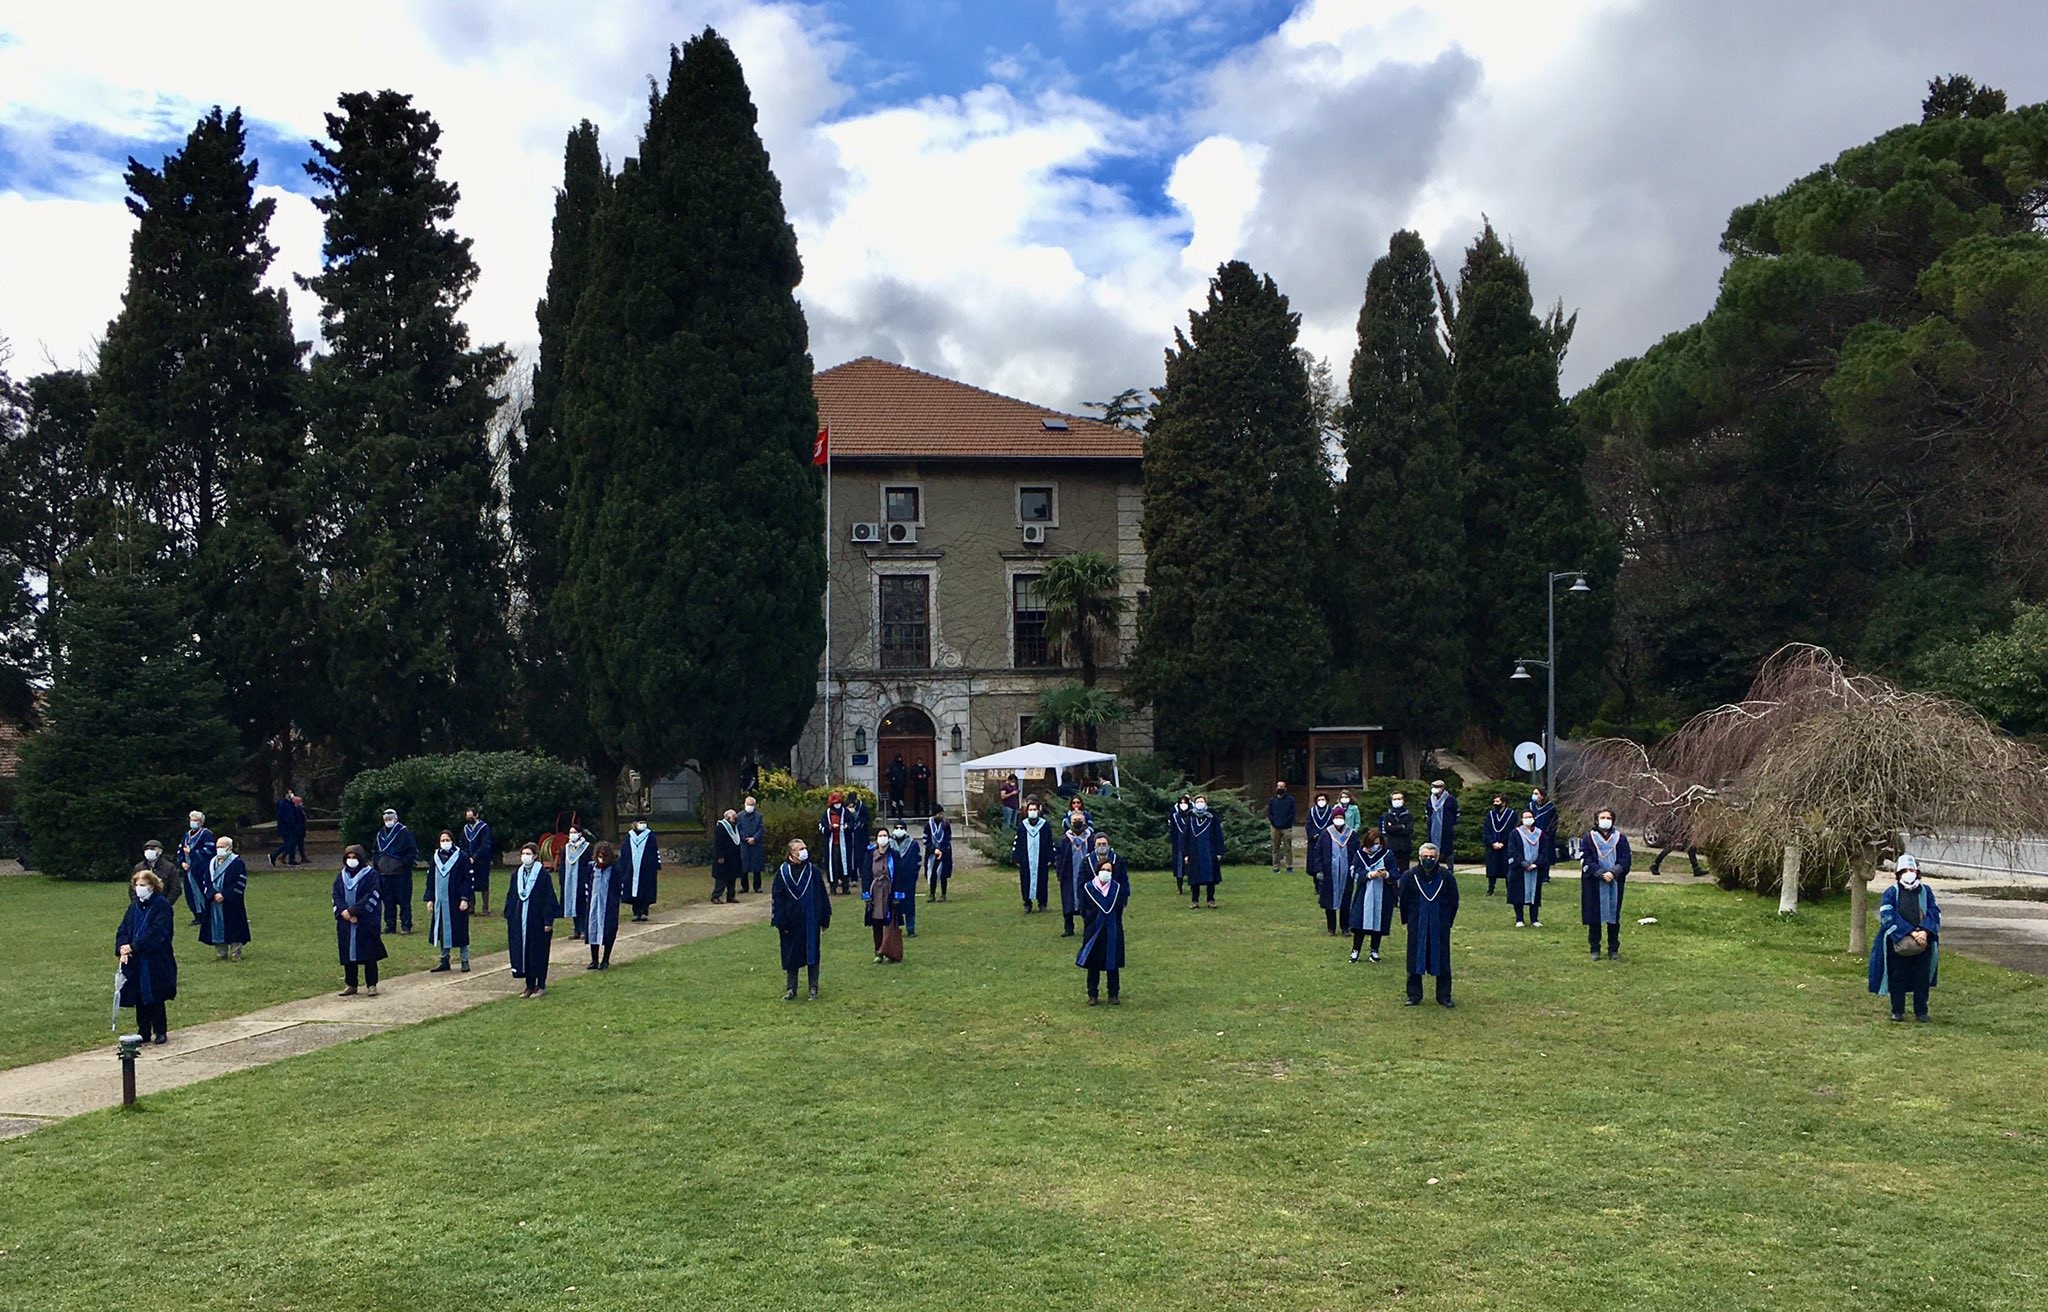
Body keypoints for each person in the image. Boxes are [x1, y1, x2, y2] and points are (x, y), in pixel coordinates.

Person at [1869, 855, 1941, 1022]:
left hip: (1923, 944)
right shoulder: (1891, 892)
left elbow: (1934, 912)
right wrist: (1910, 932)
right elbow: (1887, 916)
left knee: (1922, 978)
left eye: (1912, 870)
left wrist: (1924, 932)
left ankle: (1921, 1012)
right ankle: (1897, 1010)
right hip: (1898, 943)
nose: (1909, 873)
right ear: (1898, 873)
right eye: (1905, 870)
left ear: (1917, 872)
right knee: (1897, 977)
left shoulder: (1926, 891)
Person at [117, 868, 177, 1044]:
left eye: (142, 885)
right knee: (139, 995)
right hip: (136, 960)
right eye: (136, 885)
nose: (138, 888)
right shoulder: (134, 907)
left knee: (155, 994)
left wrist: (134, 946)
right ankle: (143, 1030)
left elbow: (158, 932)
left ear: (152, 886)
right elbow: (124, 929)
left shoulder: (162, 905)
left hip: (155, 958)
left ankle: (160, 1030)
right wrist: (122, 947)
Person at [1400, 843, 1458, 1006]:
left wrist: (1447, 921)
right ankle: (1414, 994)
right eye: (1425, 856)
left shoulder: (1446, 877)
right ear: (1419, 857)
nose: (1428, 859)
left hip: (1440, 923)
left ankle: (1444, 996)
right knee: (1414, 956)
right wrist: (1408, 920)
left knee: (1443, 958)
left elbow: (1454, 901)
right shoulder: (1410, 876)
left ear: (1438, 857)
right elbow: (1403, 900)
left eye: (1432, 857)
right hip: (1417, 922)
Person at [772, 838, 831, 1001]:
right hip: (790, 921)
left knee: (812, 953)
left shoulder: (813, 871)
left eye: (805, 847)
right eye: (800, 849)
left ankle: (813, 987)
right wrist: (779, 920)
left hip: (810, 920)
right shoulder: (783, 873)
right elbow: (777, 897)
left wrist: (825, 917)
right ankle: (791, 988)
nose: (804, 851)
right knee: (792, 954)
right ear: (791, 854)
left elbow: (822, 896)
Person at [1075, 841, 1129, 1006]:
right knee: (1093, 963)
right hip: (1093, 929)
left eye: (1109, 870)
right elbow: (1083, 909)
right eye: (1103, 870)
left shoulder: (1117, 889)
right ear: (1098, 872)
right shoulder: (1088, 888)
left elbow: (1119, 907)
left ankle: (1113, 994)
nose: (1106, 873)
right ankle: (1093, 994)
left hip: (1112, 928)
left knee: (1113, 963)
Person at [505, 842, 559, 998]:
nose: (525, 857)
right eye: (523, 853)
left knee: (538, 953)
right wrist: (510, 915)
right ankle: (529, 985)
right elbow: (511, 895)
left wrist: (548, 921)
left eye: (528, 854)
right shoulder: (517, 874)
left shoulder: (542, 875)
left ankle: (540, 984)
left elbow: (549, 899)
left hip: (537, 921)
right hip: (520, 920)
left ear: (535, 856)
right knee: (524, 953)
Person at [332, 844, 385, 997]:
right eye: (348, 857)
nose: (351, 860)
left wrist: (354, 911)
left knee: (369, 953)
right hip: (346, 921)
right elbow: (336, 895)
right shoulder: (341, 876)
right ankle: (351, 984)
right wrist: (344, 912)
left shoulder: (371, 875)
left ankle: (372, 984)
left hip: (365, 921)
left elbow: (372, 895)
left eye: (354, 857)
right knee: (348, 953)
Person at [1580, 808, 1632, 961]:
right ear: (1596, 820)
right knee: (1594, 916)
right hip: (1594, 883)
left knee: (1613, 917)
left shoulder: (1620, 838)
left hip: (1614, 882)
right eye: (1602, 817)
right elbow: (1585, 859)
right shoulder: (1588, 838)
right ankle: (1595, 948)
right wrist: (1600, 873)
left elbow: (1625, 859)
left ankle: (1613, 949)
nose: (1605, 820)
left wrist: (1614, 872)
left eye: (1608, 817)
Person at [423, 829, 474, 973]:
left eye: (447, 840)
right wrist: (430, 898)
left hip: (456, 900)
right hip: (441, 901)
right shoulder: (436, 857)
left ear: (452, 841)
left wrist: (465, 898)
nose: (445, 843)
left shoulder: (461, 857)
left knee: (460, 930)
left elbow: (467, 879)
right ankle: (444, 959)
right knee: (442, 930)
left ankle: (465, 960)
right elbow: (430, 879)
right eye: (442, 840)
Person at [1348, 827, 1399, 964]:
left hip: (1382, 894)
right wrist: (1369, 875)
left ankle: (1374, 951)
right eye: (1372, 843)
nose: (1375, 846)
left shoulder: (1387, 855)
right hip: (1364, 893)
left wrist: (1385, 874)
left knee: (1378, 922)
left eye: (1378, 843)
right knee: (1360, 923)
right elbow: (1354, 872)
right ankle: (1355, 951)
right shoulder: (1360, 855)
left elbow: (1395, 873)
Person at [1313, 811, 1362, 937]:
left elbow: (1357, 853)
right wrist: (1319, 869)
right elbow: (1318, 852)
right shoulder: (1326, 834)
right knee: (1329, 900)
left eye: (1341, 817)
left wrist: (1355, 867)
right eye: (1336, 817)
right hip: (1329, 872)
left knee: (1346, 900)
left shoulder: (1351, 834)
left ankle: (1345, 927)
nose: (1338, 819)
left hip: (1346, 872)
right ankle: (1331, 928)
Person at [374, 809, 418, 935]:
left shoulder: (404, 833)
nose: (388, 822)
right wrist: (377, 863)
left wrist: (402, 863)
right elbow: (375, 851)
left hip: (401, 874)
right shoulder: (380, 834)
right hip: (384, 873)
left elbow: (412, 851)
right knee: (388, 901)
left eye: (390, 819)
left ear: (396, 819)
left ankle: (406, 925)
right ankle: (390, 925)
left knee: (404, 900)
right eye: (386, 820)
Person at [585, 841, 626, 970]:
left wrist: (615, 902)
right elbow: (587, 884)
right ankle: (594, 960)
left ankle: (605, 959)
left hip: (608, 905)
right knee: (592, 929)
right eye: (599, 857)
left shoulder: (615, 869)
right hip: (593, 904)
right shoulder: (591, 868)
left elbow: (619, 887)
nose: (601, 860)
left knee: (609, 930)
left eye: (604, 858)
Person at [1507, 807, 1549, 928]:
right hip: (1520, 869)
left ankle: (1534, 919)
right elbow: (1512, 851)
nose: (1528, 819)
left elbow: (1544, 851)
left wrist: (1537, 863)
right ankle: (1519, 919)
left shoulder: (1540, 834)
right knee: (1518, 893)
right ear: (1521, 819)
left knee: (1535, 893)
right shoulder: (1515, 833)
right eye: (1525, 817)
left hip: (1535, 868)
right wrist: (1523, 863)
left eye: (1530, 817)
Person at [863, 838, 903, 963]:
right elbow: (865, 874)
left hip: (889, 891)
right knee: (876, 922)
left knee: (891, 922)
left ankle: (891, 950)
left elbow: (899, 875)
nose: (882, 838)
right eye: (880, 835)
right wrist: (866, 896)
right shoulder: (870, 854)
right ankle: (878, 951)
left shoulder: (894, 854)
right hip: (875, 892)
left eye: (885, 835)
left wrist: (897, 896)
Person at [1054, 814, 1093, 937]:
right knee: (1068, 900)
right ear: (1070, 823)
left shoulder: (1090, 838)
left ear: (1084, 822)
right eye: (1075, 821)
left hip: (1087, 874)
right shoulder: (1065, 839)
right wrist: (1059, 872)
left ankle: (1089, 926)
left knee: (1087, 900)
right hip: (1069, 874)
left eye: (1080, 820)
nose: (1077, 822)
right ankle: (1068, 927)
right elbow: (1059, 857)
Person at [880, 823, 921, 937]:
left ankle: (911, 929)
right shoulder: (889, 844)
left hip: (908, 880)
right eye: (896, 828)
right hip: (893, 880)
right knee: (893, 905)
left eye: (901, 828)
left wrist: (913, 875)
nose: (899, 830)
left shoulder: (913, 845)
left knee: (909, 905)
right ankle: (894, 928)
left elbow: (918, 861)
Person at [1013, 799, 1053, 913]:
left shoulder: (1044, 825)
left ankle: (1042, 904)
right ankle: (1027, 904)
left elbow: (1050, 842)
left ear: (1038, 810)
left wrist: (1050, 857)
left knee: (1042, 880)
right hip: (1026, 859)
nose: (1032, 811)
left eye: (1034, 809)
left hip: (1041, 858)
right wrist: (1016, 857)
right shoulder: (1023, 826)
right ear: (1027, 811)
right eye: (1030, 809)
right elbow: (1018, 842)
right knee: (1026, 881)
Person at [1184, 795, 1224, 907]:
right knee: (1194, 877)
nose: (1200, 803)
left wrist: (1219, 852)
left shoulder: (1212, 818)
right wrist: (1186, 853)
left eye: (1202, 801)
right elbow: (1186, 837)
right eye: (1198, 801)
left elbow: (1218, 835)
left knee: (1210, 877)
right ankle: (1194, 900)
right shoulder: (1191, 818)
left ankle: (1210, 900)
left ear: (1206, 803)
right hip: (1194, 851)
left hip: (1209, 851)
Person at [818, 791, 861, 895]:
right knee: (833, 865)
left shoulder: (845, 812)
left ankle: (845, 887)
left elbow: (852, 824)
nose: (837, 805)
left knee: (845, 865)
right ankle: (833, 887)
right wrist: (830, 828)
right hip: (831, 845)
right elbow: (821, 827)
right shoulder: (826, 814)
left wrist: (847, 827)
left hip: (844, 845)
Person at [177, 811, 213, 925]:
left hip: (201, 869)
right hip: (188, 870)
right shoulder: (186, 835)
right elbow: (180, 850)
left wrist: (192, 853)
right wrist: (182, 862)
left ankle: (206, 914)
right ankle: (197, 915)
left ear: (201, 822)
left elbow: (209, 851)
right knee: (190, 893)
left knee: (203, 891)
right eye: (191, 820)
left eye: (195, 820)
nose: (193, 822)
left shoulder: (206, 834)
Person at [558, 823, 593, 939]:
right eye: (570, 832)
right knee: (572, 905)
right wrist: (562, 880)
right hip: (569, 882)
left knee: (582, 904)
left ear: (580, 834)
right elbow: (562, 865)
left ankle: (584, 929)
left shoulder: (587, 848)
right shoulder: (566, 848)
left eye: (574, 832)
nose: (572, 835)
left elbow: (590, 865)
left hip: (581, 881)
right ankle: (576, 929)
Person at [623, 818, 660, 920]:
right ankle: (636, 912)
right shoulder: (629, 836)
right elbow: (625, 852)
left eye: (644, 822)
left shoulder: (650, 836)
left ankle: (644, 911)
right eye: (640, 822)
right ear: (635, 823)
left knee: (645, 889)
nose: (642, 824)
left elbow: (654, 851)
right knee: (633, 891)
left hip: (646, 869)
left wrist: (655, 865)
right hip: (632, 869)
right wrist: (624, 867)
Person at [461, 807, 495, 914]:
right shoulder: (466, 829)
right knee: (470, 882)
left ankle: (485, 907)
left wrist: (475, 856)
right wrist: (466, 857)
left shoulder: (484, 828)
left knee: (483, 882)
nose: (469, 819)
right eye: (468, 817)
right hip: (468, 860)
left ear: (476, 816)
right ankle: (471, 906)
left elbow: (486, 844)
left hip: (482, 861)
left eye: (471, 817)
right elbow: (462, 844)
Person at [1482, 793, 1515, 896]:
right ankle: (1490, 889)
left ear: (1504, 803)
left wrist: (1503, 843)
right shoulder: (1491, 815)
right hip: (1492, 847)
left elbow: (1512, 831)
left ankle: (1510, 890)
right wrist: (1492, 843)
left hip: (1506, 847)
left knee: (1507, 869)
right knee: (1492, 869)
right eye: (1494, 801)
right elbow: (1486, 830)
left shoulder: (1511, 815)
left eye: (1497, 802)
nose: (1495, 804)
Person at [135, 839, 182, 912]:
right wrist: (137, 904)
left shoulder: (169, 867)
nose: (149, 851)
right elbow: (132, 888)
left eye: (152, 848)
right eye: (147, 849)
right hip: (141, 907)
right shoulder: (139, 867)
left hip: (162, 907)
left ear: (160, 851)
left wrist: (166, 904)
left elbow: (176, 888)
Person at [711, 808, 744, 904]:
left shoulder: (734, 827)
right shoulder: (721, 828)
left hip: (733, 858)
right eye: (733, 817)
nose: (735, 818)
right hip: (723, 857)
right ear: (727, 817)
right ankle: (716, 896)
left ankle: (731, 896)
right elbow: (718, 844)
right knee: (721, 878)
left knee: (732, 878)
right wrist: (720, 856)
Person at [1425, 779, 1458, 872]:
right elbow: (1428, 812)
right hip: (1433, 827)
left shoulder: (1450, 799)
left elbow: (1455, 813)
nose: (1434, 789)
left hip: (1446, 828)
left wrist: (1451, 823)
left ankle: (1450, 868)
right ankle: (1434, 866)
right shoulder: (1430, 799)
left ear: (1442, 788)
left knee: (1448, 848)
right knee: (1433, 846)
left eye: (1437, 787)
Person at [1304, 791, 1334, 895]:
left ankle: (1325, 886)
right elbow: (1308, 824)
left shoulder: (1331, 811)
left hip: (1327, 842)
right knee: (1314, 864)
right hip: (1314, 842)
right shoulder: (1312, 812)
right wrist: (1314, 834)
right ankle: (1316, 886)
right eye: (1319, 800)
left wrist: (1325, 835)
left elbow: (1332, 825)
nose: (1321, 801)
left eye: (1323, 799)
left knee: (1326, 863)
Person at [1380, 789, 1415, 870]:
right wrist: (1401, 826)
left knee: (1404, 870)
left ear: (1403, 800)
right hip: (1392, 846)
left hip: (1405, 846)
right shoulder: (1387, 815)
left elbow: (1409, 829)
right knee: (1391, 869)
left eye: (1399, 799)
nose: (1397, 801)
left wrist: (1394, 828)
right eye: (1395, 799)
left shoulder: (1408, 814)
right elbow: (1387, 829)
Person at [736, 796, 766, 893]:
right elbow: (738, 829)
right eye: (748, 804)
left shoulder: (759, 816)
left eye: (751, 805)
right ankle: (744, 886)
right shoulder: (739, 816)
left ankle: (757, 886)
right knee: (744, 866)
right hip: (744, 845)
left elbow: (761, 829)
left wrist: (754, 838)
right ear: (744, 804)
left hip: (756, 844)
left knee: (757, 866)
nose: (750, 806)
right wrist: (745, 838)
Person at [1267, 781, 1297, 875]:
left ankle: (1289, 866)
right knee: (1275, 848)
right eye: (1278, 786)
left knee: (1287, 848)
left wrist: (1286, 822)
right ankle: (1276, 867)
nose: (1280, 788)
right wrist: (1274, 822)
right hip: (1275, 827)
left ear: (1285, 788)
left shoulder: (1290, 800)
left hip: (1287, 828)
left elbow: (1292, 813)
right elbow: (1269, 813)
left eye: (1282, 787)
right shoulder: (1272, 800)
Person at [924, 809, 953, 901]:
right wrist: (933, 849)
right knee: (932, 874)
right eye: (939, 814)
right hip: (932, 854)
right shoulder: (928, 825)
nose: (941, 816)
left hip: (944, 853)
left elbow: (948, 838)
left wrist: (942, 850)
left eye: (942, 814)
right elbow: (926, 840)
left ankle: (943, 894)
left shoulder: (945, 825)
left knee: (943, 874)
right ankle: (932, 894)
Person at [1167, 794, 1193, 895]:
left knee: (1191, 865)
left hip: (1190, 842)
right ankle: (1179, 887)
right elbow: (1172, 830)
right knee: (1179, 865)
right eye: (1181, 803)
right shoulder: (1175, 816)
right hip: (1178, 843)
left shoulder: (1192, 815)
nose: (1183, 805)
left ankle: (1192, 886)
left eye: (1185, 802)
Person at [270, 791, 303, 867]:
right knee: (288, 843)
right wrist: (289, 822)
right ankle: (274, 855)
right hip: (286, 828)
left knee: (293, 843)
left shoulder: (290, 803)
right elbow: (282, 816)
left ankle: (292, 860)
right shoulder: (283, 804)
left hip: (291, 827)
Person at [1530, 786, 1560, 865]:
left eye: (1536, 794)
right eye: (1533, 793)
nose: (1534, 795)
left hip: (1545, 836)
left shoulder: (1550, 808)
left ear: (1542, 796)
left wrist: (1546, 834)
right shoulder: (1531, 806)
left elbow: (1553, 824)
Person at [886, 753, 908, 819]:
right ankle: (893, 812)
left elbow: (906, 775)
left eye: (900, 758)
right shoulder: (892, 766)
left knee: (901, 800)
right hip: (894, 786)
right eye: (898, 758)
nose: (899, 759)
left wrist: (905, 783)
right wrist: (892, 780)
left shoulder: (903, 766)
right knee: (894, 800)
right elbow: (888, 774)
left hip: (901, 786)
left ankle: (901, 812)